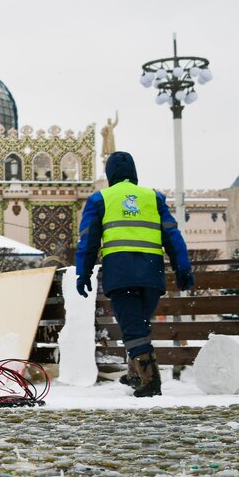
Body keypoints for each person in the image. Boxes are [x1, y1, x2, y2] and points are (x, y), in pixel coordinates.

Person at [75, 151, 193, 397]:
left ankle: (150, 382)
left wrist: (83, 272)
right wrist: (183, 267)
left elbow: (89, 240)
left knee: (133, 328)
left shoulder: (100, 199)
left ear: (110, 175)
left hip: (121, 273)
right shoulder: (153, 197)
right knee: (138, 324)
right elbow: (172, 235)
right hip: (151, 274)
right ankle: (134, 374)